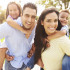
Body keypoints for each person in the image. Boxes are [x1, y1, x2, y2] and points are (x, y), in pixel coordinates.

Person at [0, 2, 37, 70]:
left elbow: (38, 39)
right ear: (21, 14)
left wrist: (33, 47)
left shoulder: (35, 25)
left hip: (26, 63)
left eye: (33, 17)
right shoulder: (8, 26)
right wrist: (4, 54)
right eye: (27, 15)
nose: (29, 20)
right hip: (12, 65)